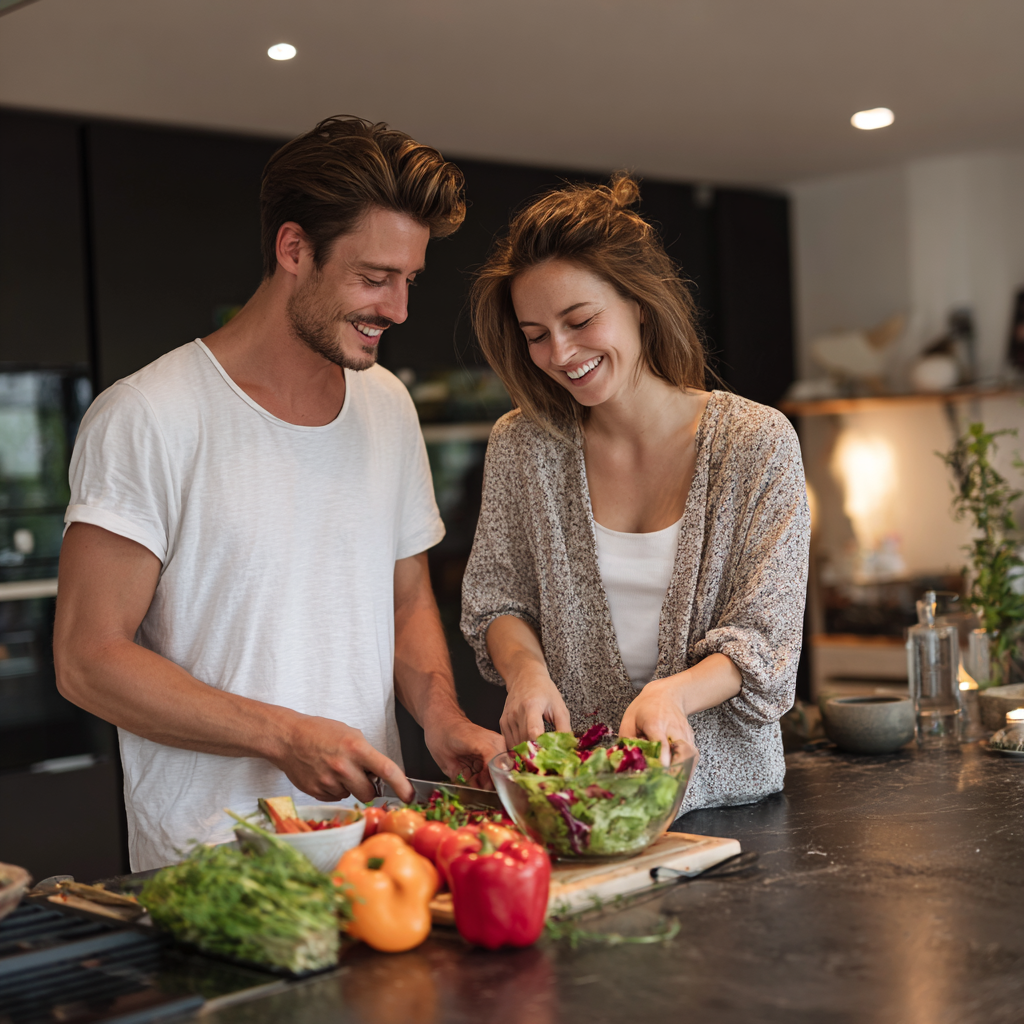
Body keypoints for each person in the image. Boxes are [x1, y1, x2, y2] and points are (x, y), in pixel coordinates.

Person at [53, 116, 505, 871]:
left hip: (372, 850)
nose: (397, 309)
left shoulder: (387, 405)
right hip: (213, 865)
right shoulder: (149, 415)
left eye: (408, 280)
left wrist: (441, 715)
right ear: (294, 248)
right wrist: (285, 735)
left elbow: (405, 600)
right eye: (373, 277)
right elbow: (88, 658)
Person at [461, 175, 809, 813]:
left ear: (640, 303)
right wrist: (526, 672)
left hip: (728, 800)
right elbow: (497, 602)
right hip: (576, 804)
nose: (560, 353)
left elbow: (766, 638)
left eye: (580, 320)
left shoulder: (756, 442)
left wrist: (672, 693)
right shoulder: (523, 445)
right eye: (536, 334)